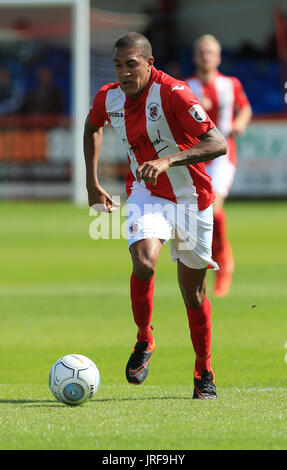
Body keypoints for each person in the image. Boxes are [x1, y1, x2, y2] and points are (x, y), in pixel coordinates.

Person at [84, 32, 227, 399]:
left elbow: (217, 143)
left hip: (193, 197)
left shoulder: (174, 93)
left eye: (131, 65)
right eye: (118, 65)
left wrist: (168, 159)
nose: (124, 73)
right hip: (148, 193)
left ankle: (203, 370)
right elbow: (92, 125)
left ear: (149, 63)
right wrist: (92, 183)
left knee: (192, 295)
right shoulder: (108, 96)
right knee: (144, 262)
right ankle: (144, 338)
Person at [186, 35, 252, 297]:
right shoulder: (186, 86)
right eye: (202, 52)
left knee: (213, 209)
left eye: (210, 52)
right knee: (199, 215)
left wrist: (240, 124)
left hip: (223, 155)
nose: (206, 57)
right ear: (195, 57)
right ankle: (209, 262)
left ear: (218, 57)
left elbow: (245, 108)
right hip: (195, 156)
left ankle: (223, 265)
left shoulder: (230, 84)